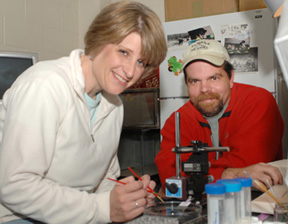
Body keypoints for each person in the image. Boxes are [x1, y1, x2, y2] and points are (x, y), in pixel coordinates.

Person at [0, 1, 167, 223]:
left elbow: (105, 181)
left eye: (140, 62)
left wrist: (124, 195)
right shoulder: (45, 85)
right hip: (17, 216)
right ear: (99, 40)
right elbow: (15, 186)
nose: (130, 72)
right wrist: (102, 208)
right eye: (123, 52)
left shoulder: (114, 105)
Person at [155, 39, 284, 195]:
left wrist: (197, 173)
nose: (204, 89)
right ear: (186, 84)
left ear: (230, 79)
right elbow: (169, 177)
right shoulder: (177, 120)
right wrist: (231, 173)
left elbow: (250, 165)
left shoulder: (258, 102)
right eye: (195, 81)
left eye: (214, 78)